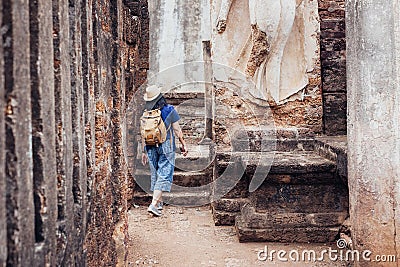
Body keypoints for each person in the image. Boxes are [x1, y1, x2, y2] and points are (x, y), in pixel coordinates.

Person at [141, 85, 188, 216]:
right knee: (164, 174)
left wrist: (144, 151)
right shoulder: (169, 110)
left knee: (155, 174)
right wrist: (183, 144)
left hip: (150, 146)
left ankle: (159, 203)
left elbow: (143, 133)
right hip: (166, 145)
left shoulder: (146, 112)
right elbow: (177, 130)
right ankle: (154, 204)